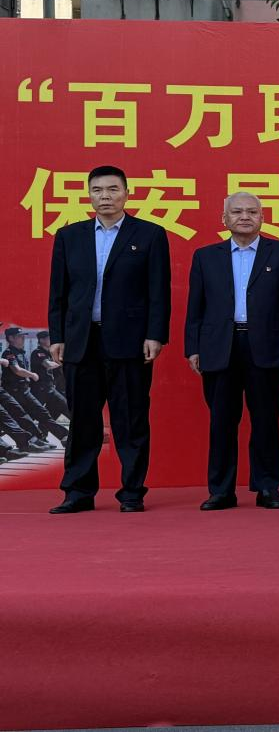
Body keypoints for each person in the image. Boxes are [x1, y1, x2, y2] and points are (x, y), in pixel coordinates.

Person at [46, 165, 171, 514]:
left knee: (130, 419)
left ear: (127, 194)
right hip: (81, 340)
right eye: (98, 190)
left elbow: (158, 291)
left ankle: (132, 492)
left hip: (130, 341)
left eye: (113, 189)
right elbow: (59, 293)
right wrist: (58, 336)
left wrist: (155, 334)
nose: (105, 196)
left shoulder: (149, 234)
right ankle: (78, 492)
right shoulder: (69, 236)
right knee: (83, 420)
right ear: (89, 195)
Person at [185, 193, 279, 511]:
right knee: (221, 421)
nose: (244, 217)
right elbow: (195, 307)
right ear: (224, 219)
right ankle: (221, 491)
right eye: (237, 212)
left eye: (252, 212)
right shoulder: (205, 256)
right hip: (219, 347)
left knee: (265, 420)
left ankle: (267, 487)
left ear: (262, 218)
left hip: (267, 346)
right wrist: (193, 347)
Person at [2, 326, 67, 448]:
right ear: (11, 338)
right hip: (14, 391)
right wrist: (32, 375)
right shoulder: (9, 353)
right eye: (19, 337)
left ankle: (61, 436)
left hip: (25, 390)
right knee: (20, 417)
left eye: (23, 336)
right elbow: (16, 370)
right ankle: (34, 440)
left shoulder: (21, 353)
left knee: (41, 413)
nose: (22, 339)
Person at [29, 330, 70, 422]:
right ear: (42, 340)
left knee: (61, 408)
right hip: (39, 389)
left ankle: (42, 431)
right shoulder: (38, 352)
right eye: (49, 338)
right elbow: (48, 365)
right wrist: (62, 363)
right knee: (32, 413)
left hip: (50, 388)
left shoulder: (49, 354)